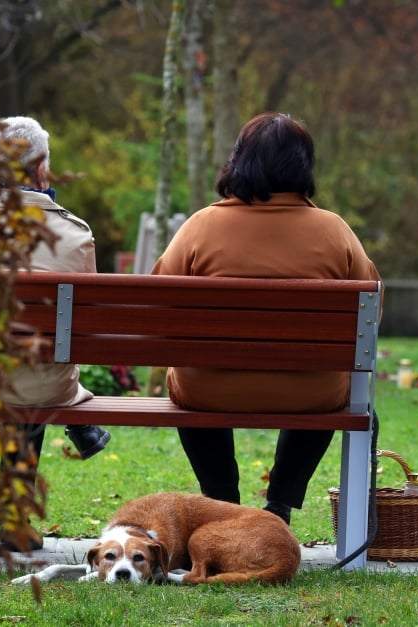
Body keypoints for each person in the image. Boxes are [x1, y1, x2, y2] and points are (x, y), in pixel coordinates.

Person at [151, 112, 381, 526]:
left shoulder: (200, 226)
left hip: (211, 388)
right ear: (304, 167)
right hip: (309, 393)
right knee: (333, 387)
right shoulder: (335, 231)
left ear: (239, 162)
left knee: (187, 379)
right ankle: (280, 503)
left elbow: (157, 304)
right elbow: (371, 311)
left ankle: (223, 502)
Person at [0, 116, 112, 548]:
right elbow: (88, 328)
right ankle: (15, 517)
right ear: (42, 172)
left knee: (10, 365)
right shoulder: (75, 234)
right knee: (37, 370)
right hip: (42, 384)